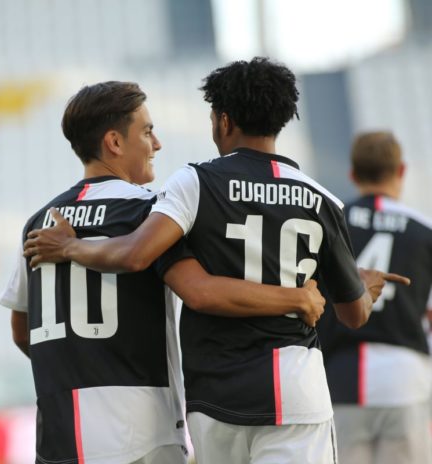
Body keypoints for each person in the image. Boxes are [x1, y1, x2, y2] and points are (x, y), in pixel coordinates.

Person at [24, 59, 409, 464]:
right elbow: (353, 314)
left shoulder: (194, 184)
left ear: (224, 121)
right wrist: (360, 289)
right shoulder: (322, 199)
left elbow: (149, 261)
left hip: (215, 398)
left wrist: (70, 247)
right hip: (296, 391)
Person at [317, 131, 432, 464]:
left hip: (338, 379)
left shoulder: (330, 222)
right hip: (405, 381)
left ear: (353, 174)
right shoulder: (424, 231)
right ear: (401, 170)